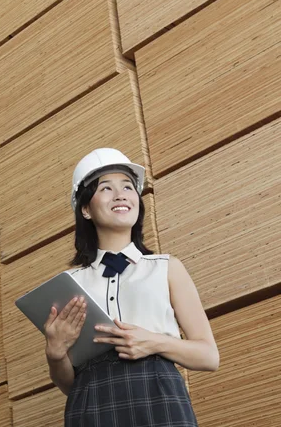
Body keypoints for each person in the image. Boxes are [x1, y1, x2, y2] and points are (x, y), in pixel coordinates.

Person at [44, 148, 219, 426]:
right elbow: (69, 386)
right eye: (106, 188)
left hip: (160, 401)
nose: (121, 194)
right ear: (86, 208)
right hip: (91, 405)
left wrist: (154, 342)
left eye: (128, 186)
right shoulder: (71, 284)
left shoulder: (166, 268)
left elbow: (209, 356)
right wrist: (55, 354)